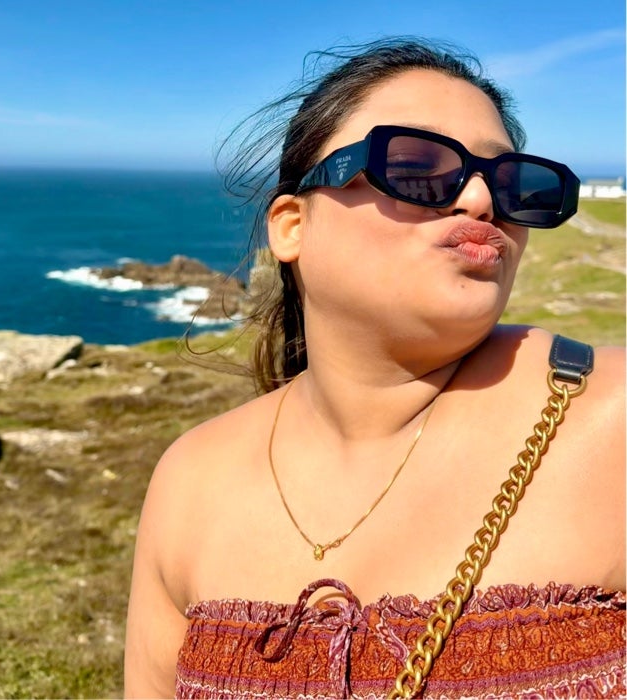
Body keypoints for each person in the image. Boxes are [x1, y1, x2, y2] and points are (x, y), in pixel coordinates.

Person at [124, 38, 625, 699]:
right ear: (292, 226)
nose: (482, 200)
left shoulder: (611, 420)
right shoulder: (190, 482)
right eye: (416, 168)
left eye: (514, 186)